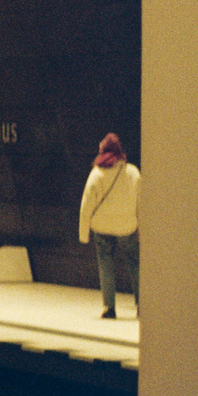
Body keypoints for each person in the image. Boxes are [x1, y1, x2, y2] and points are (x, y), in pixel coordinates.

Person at [78, 132, 141, 319]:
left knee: (106, 264)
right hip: (127, 227)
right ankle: (142, 305)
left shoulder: (96, 174)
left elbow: (86, 205)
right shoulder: (132, 172)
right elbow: (142, 203)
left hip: (101, 227)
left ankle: (109, 307)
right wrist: (142, 229)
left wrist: (83, 233)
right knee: (134, 263)